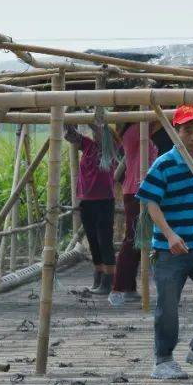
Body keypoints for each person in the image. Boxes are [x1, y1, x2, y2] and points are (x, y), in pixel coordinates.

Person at [136, 105, 193, 380]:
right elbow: (149, 201)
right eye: (187, 130)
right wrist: (169, 234)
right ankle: (162, 360)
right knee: (168, 306)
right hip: (169, 249)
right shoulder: (164, 164)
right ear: (176, 133)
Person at [64, 123, 118, 295]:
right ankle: (98, 276)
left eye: (100, 134)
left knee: (105, 241)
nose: (97, 136)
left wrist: (93, 119)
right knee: (93, 241)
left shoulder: (111, 149)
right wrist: (66, 119)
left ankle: (109, 280)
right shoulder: (88, 145)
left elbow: (102, 132)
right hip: (86, 201)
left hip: (104, 201)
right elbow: (70, 135)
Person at [108, 121, 157, 307]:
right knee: (133, 239)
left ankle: (127, 287)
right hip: (137, 192)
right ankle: (119, 287)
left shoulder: (142, 132)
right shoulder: (136, 130)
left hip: (143, 191)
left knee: (137, 240)